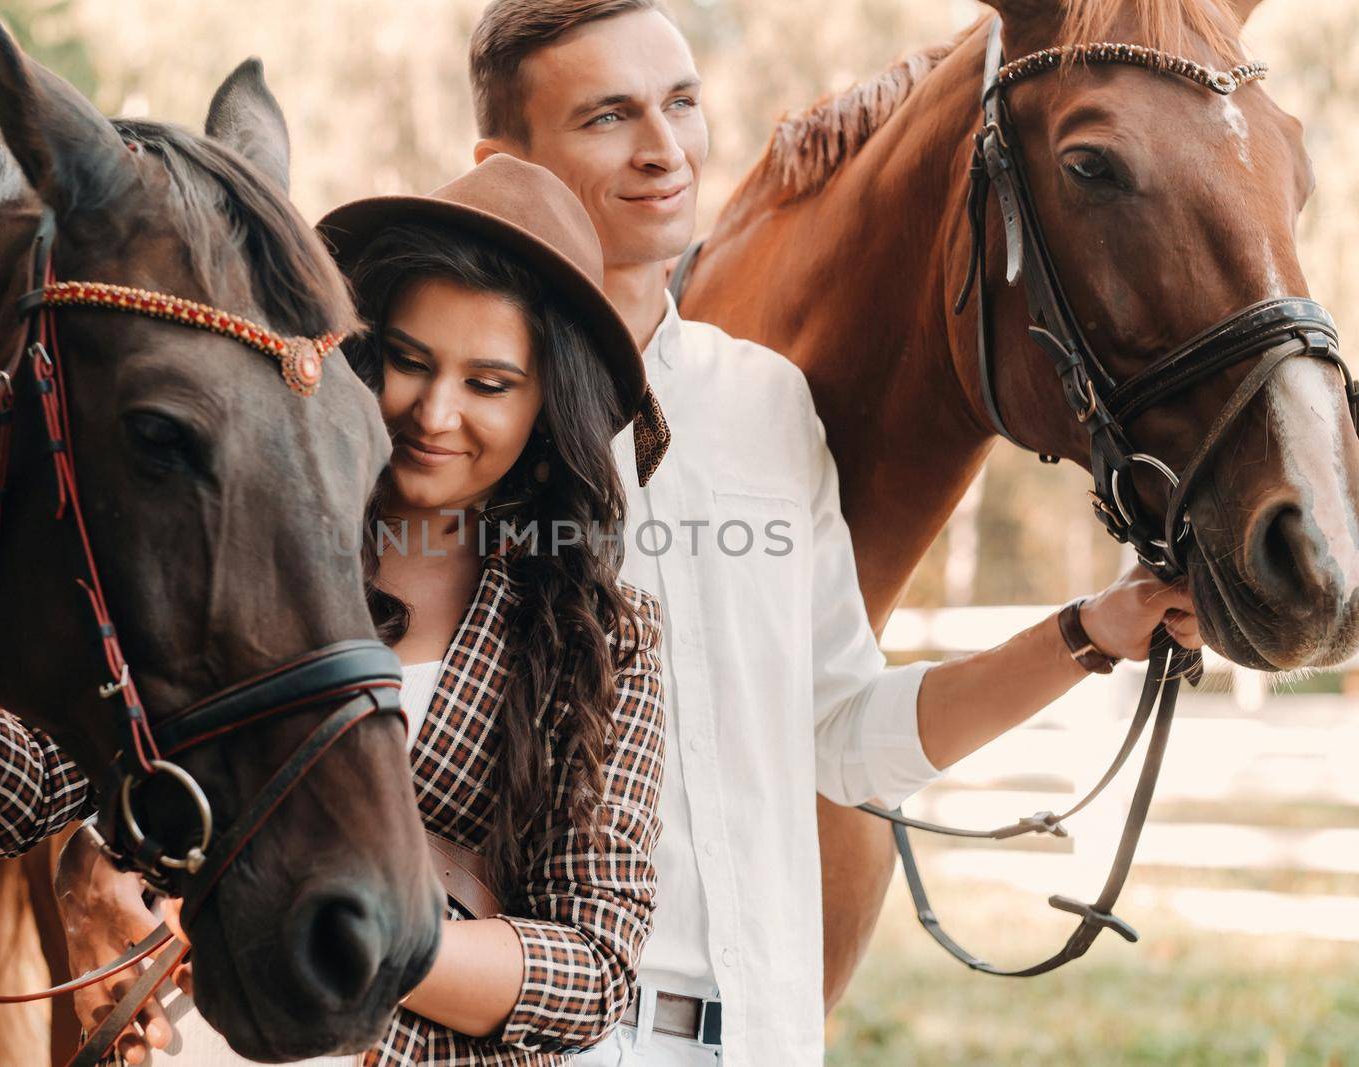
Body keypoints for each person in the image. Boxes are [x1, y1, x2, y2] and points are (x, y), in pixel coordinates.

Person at [453, 3, 1203, 1065]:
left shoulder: (765, 404)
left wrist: (1092, 632)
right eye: (606, 117)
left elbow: (846, 734)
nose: (664, 149)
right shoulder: (448, 420)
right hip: (522, 1039)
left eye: (680, 102)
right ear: (504, 160)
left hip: (762, 1039)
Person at [0, 154, 672, 1064]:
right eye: (408, 362)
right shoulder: (247, 545)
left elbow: (595, 967)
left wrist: (343, 923)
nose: (435, 413)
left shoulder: (604, 637)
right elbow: (29, 799)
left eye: (489, 384)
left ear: (545, 406)